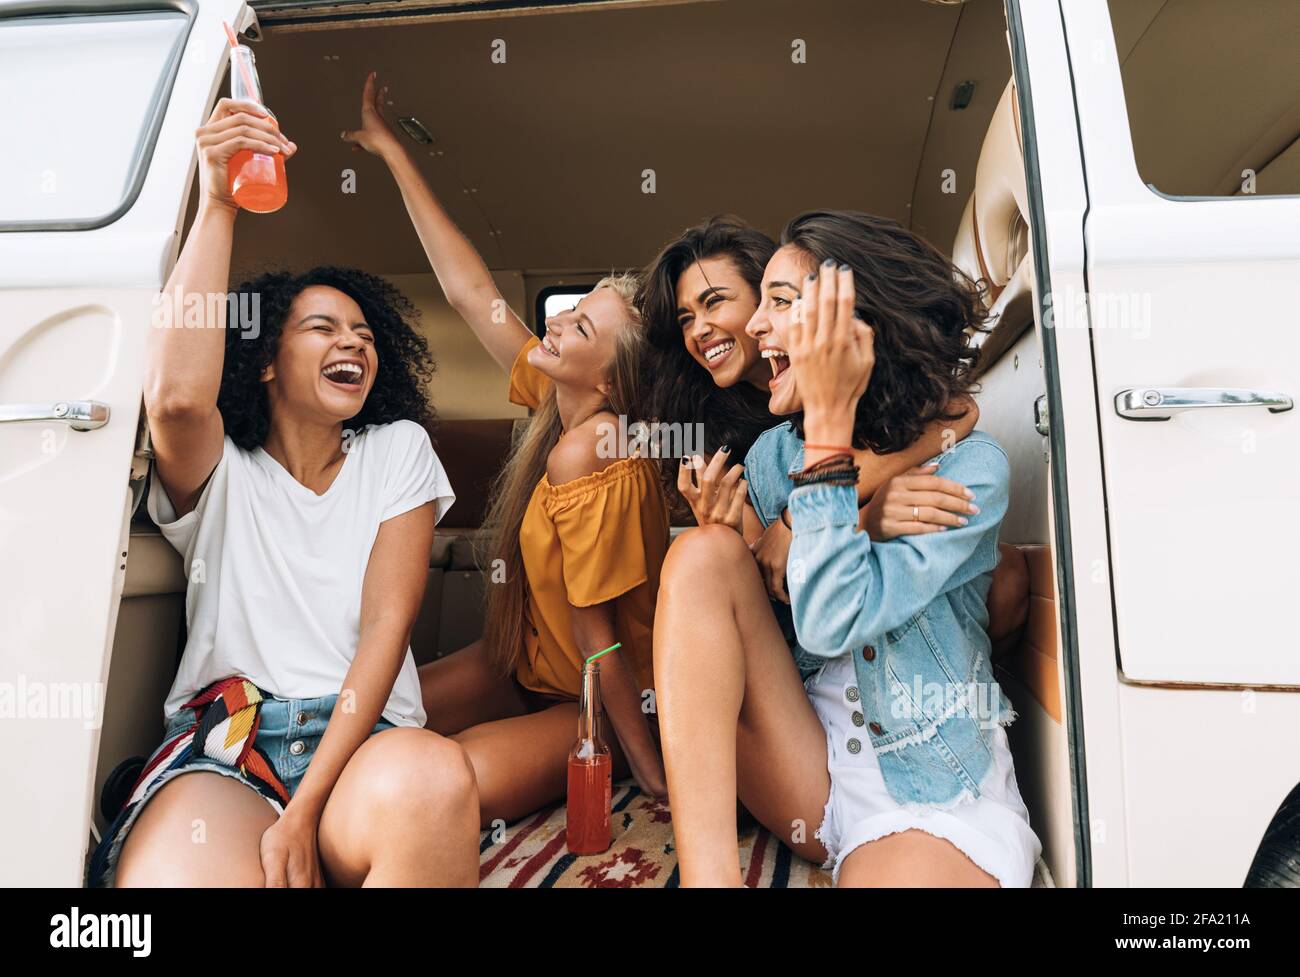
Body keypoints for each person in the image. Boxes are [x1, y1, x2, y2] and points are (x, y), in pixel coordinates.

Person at [91, 97, 479, 888]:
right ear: (266, 360)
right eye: (324, 329)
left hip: (363, 740)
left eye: (366, 335)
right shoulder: (221, 470)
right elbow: (171, 401)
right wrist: (220, 202)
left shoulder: (396, 450)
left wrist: (304, 812)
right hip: (231, 744)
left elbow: (385, 629)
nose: (353, 343)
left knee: (434, 780)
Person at [653, 210, 1042, 887]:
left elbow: (835, 613)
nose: (752, 326)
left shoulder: (969, 468)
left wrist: (832, 433)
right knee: (700, 554)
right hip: (809, 767)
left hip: (930, 782)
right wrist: (821, 524)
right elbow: (770, 617)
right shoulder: (772, 454)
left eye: (778, 303)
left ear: (855, 322)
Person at [342, 72, 668, 822]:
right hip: (519, 667)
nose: (557, 324)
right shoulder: (557, 397)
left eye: (581, 327)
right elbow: (468, 292)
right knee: (357, 721)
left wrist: (647, 770)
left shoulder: (597, 450)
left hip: (591, 699)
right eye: (572, 308)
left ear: (615, 381)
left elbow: (603, 641)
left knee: (430, 792)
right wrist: (391, 150)